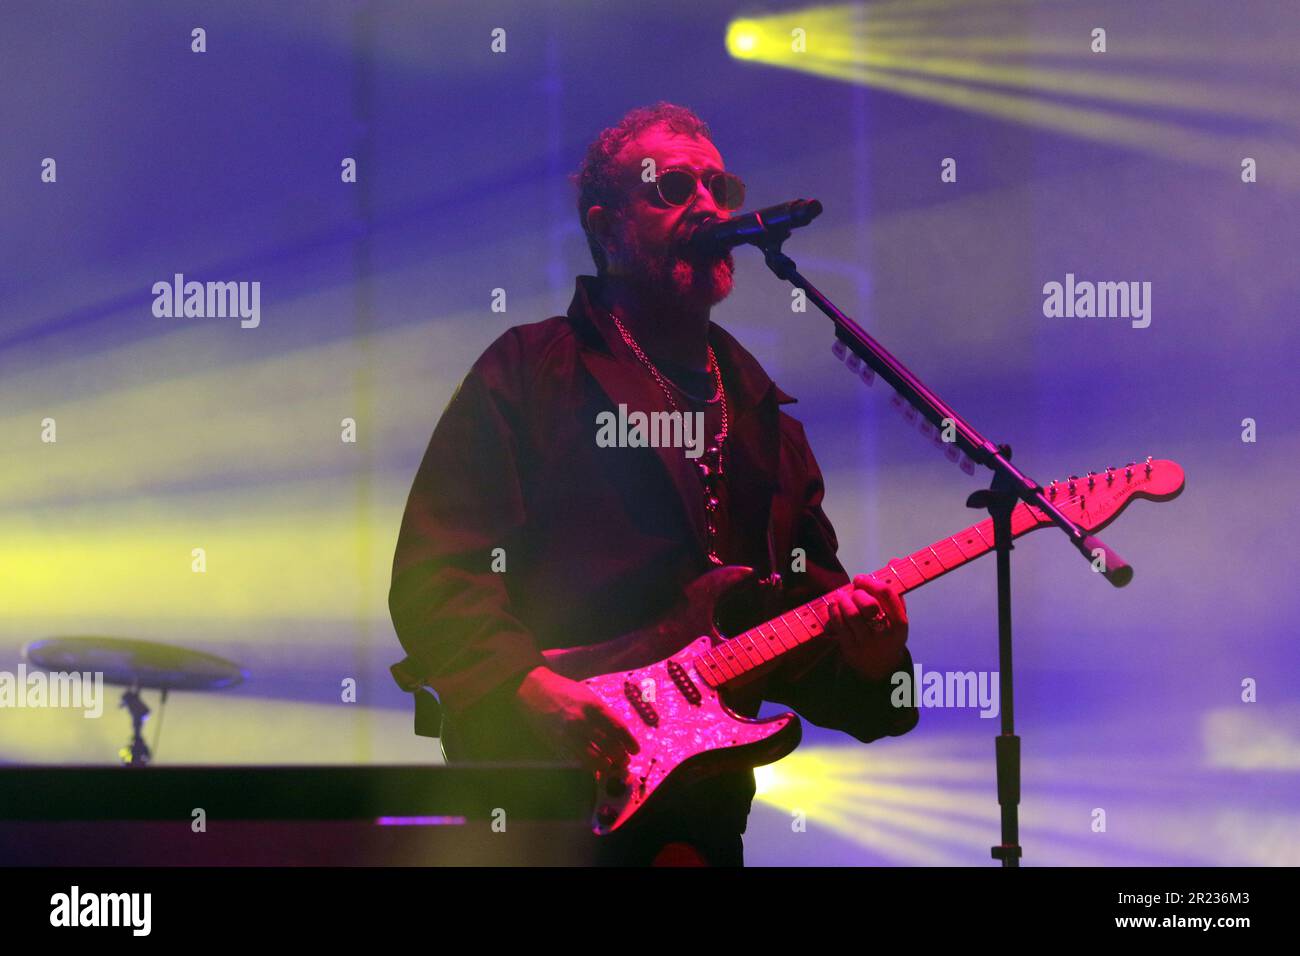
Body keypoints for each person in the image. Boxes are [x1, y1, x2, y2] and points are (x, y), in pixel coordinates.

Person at [388, 102, 919, 866]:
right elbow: (438, 572)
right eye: (672, 187)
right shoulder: (531, 372)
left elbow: (798, 623)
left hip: (698, 822)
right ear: (607, 228)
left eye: (717, 187)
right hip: (536, 803)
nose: (707, 205)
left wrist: (873, 668)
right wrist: (526, 686)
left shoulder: (763, 418)